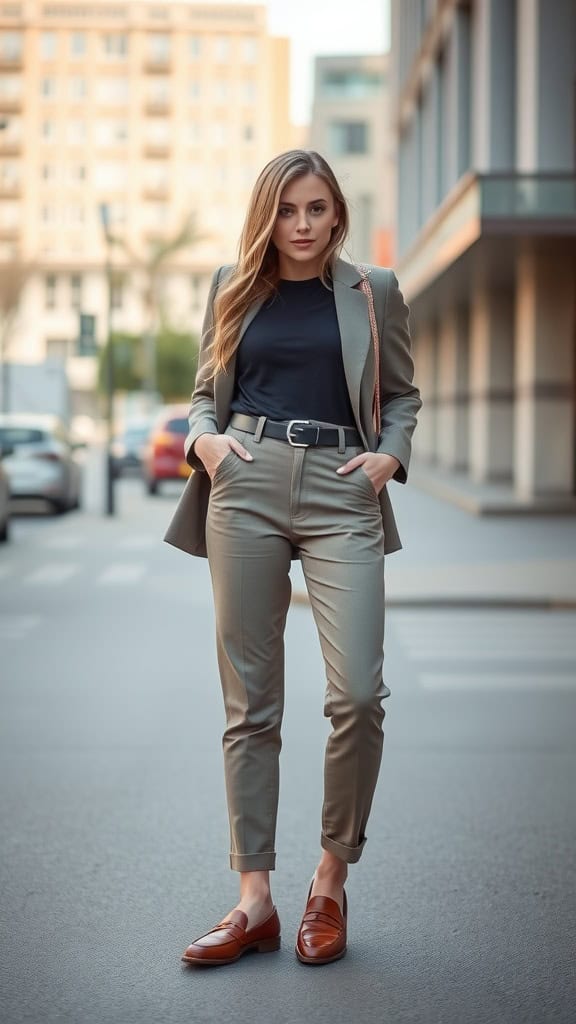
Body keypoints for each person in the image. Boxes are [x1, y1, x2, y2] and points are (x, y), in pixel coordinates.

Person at [164, 149, 421, 967]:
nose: (302, 225)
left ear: (336, 212)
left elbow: (404, 393)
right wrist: (204, 439)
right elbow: (207, 388)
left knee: (357, 696)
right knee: (251, 705)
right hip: (245, 479)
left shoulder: (372, 290)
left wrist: (389, 455)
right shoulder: (230, 288)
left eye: (315, 209)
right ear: (266, 217)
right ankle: (254, 903)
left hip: (346, 488)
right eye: (287, 211)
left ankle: (329, 883)